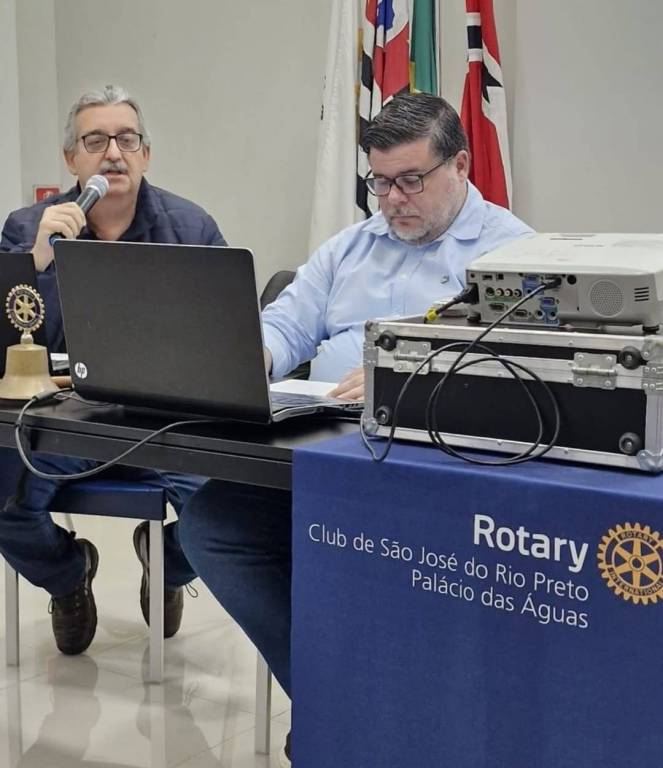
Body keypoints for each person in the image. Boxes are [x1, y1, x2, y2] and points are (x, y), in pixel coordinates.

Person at [175, 92, 533, 767]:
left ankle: (351, 714)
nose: (392, 200)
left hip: (430, 471)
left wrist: (410, 376)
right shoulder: (351, 246)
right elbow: (287, 321)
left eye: (410, 180)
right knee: (212, 525)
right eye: (379, 182)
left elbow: (516, 370)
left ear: (460, 165)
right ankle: (335, 701)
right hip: (318, 450)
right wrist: (248, 358)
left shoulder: (511, 252)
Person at [0, 85, 226, 656]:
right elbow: (6, 344)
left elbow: (228, 341)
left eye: (127, 139)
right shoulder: (27, 229)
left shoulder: (191, 229)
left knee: (230, 515)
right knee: (4, 504)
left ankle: (165, 562)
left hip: (168, 423)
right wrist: (37, 260)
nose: (114, 154)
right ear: (71, 159)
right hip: (64, 421)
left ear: (146, 153)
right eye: (95, 141)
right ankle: (68, 575)